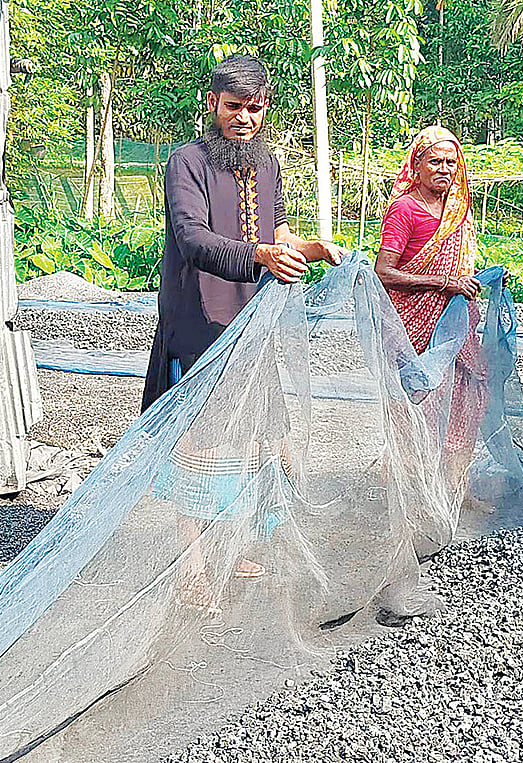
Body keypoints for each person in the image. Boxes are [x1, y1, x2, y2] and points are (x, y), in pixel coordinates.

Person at [142, 54, 343, 614]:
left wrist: (312, 248)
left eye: (255, 108)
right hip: (197, 322)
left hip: (250, 322)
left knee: (252, 440)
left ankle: (230, 548)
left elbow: (275, 232)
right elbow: (193, 240)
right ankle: (193, 565)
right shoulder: (188, 162)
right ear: (213, 105)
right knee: (198, 445)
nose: (245, 118)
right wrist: (262, 255)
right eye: (234, 107)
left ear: (265, 108)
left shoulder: (266, 164)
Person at [375, 125, 485, 496]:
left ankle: (453, 486)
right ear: (416, 166)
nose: (443, 169)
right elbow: (384, 271)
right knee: (417, 400)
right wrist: (442, 283)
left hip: (451, 323)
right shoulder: (405, 210)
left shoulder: (457, 210)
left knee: (465, 394)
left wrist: (465, 284)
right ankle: (407, 489)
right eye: (434, 161)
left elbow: (460, 266)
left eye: (451, 162)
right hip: (413, 325)